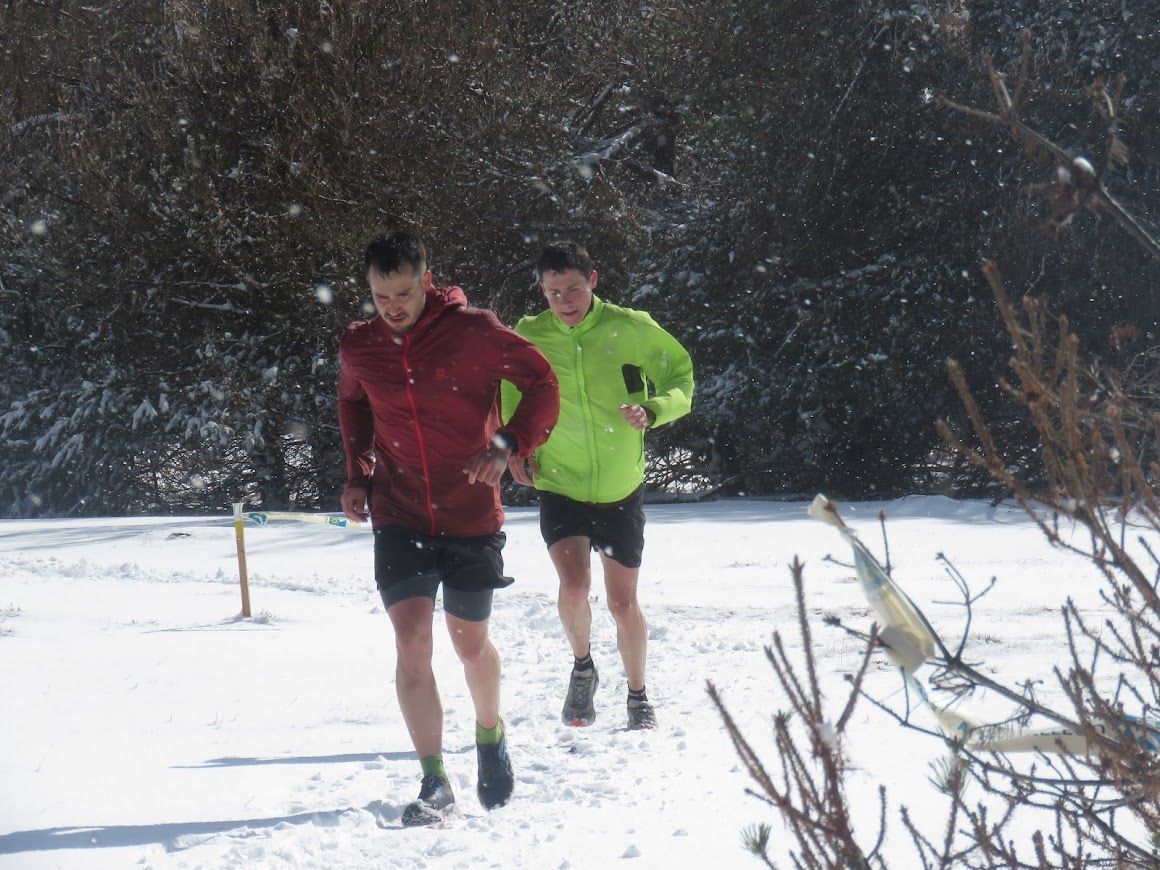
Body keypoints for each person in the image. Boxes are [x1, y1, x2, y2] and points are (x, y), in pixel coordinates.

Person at [338, 229, 559, 826]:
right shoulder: (360, 345)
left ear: (426, 280)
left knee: (469, 644)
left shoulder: (475, 333)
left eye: (404, 292)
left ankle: (489, 734)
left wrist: (508, 442)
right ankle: (434, 779)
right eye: (381, 296)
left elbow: (542, 382)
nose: (393, 307)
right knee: (411, 640)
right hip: (399, 510)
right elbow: (354, 403)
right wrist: (359, 473)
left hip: (470, 513)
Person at [501, 240, 694, 731]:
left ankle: (637, 693)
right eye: (553, 292)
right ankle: (583, 667)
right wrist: (517, 444)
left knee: (622, 603)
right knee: (572, 587)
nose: (564, 301)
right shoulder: (529, 335)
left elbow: (682, 376)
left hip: (619, 486)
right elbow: (507, 387)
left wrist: (653, 410)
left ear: (594, 281)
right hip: (560, 481)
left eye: (573, 289)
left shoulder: (631, 328)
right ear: (542, 293)